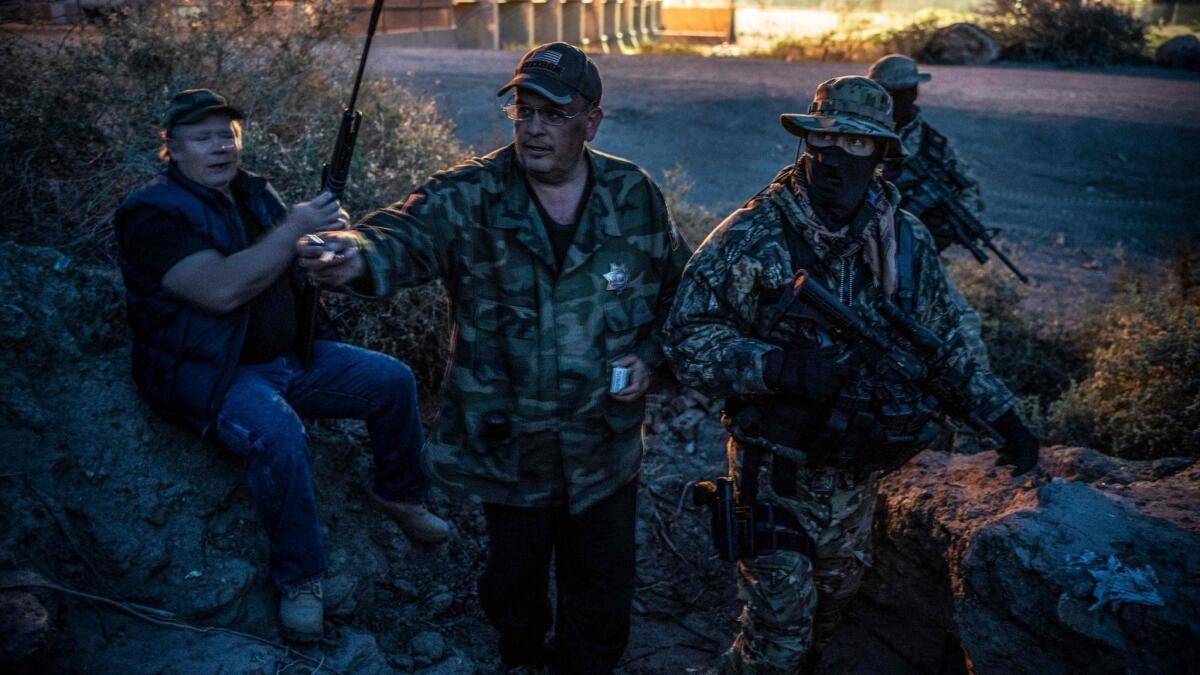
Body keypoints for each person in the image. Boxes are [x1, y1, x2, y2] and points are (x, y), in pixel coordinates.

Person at [296, 43, 692, 674]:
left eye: (553, 115)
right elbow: (399, 233)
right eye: (524, 111)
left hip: (604, 448)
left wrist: (650, 357)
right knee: (514, 588)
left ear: (591, 122)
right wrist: (350, 252)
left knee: (602, 595)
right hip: (510, 449)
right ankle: (522, 658)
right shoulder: (470, 194)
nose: (533, 128)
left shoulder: (633, 194)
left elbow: (677, 291)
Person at [663, 76, 1039, 674]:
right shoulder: (752, 235)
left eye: (856, 143)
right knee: (778, 638)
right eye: (824, 138)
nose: (835, 155)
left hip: (857, 475)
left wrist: (1001, 415)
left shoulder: (905, 240)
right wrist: (774, 366)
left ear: (882, 154)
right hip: (774, 467)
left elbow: (943, 343)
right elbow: (685, 340)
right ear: (807, 142)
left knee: (826, 619)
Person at [114, 88, 449, 643]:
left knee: (391, 379)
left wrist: (323, 247)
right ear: (170, 147)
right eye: (203, 137)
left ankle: (399, 493)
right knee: (278, 432)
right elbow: (222, 290)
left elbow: (288, 257)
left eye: (228, 134)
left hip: (289, 359)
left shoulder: (252, 194)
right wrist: (293, 228)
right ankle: (301, 580)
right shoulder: (151, 214)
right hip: (214, 374)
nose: (221, 147)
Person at [868, 54, 989, 364]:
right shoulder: (859, 135)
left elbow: (968, 191)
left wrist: (943, 228)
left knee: (963, 329)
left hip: (916, 254)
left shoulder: (934, 144)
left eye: (904, 92)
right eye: (891, 93)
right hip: (861, 252)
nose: (900, 100)